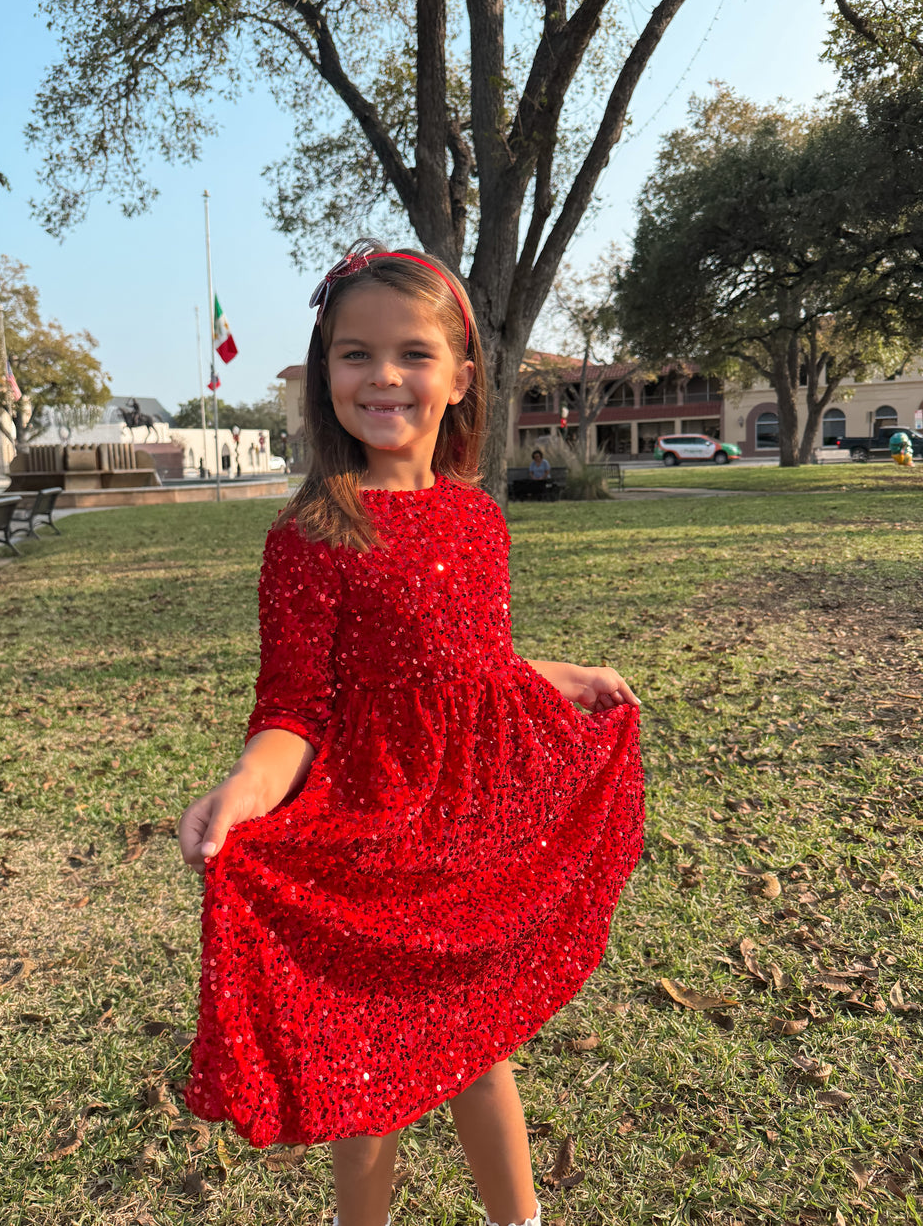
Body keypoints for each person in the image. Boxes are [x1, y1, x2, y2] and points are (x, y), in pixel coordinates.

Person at [178, 241, 644, 1226]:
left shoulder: (477, 520)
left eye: (411, 354)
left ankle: (518, 1219)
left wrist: (559, 681)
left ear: (461, 376)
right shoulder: (311, 536)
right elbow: (292, 711)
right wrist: (245, 789)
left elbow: (478, 663)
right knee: (368, 1082)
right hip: (371, 834)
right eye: (354, 354)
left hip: (467, 834)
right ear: (323, 373)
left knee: (478, 1053)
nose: (383, 376)